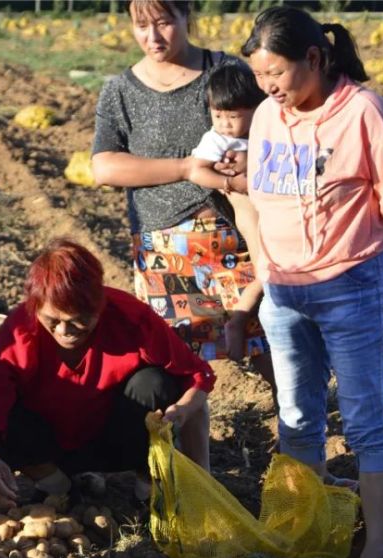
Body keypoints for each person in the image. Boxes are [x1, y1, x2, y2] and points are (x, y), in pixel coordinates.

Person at [240, 6, 383, 558]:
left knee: (367, 423)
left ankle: (375, 554)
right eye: (260, 76)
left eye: (277, 73)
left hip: (350, 289)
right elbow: (264, 199)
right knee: (297, 421)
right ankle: (310, 532)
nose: (268, 87)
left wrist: (369, 269)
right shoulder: (267, 116)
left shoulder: (365, 113)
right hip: (283, 294)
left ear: (315, 58)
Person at [91, 0, 273, 390]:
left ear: (186, 14)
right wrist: (186, 168)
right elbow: (104, 167)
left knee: (269, 343)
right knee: (175, 363)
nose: (153, 37)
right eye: (141, 26)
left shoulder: (225, 71)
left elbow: (270, 126)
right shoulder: (120, 91)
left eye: (164, 22)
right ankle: (188, 431)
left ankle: (301, 423)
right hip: (163, 245)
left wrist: (249, 161)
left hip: (233, 234)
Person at [0, 238, 215, 508]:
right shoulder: (20, 330)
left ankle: (147, 491)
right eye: (52, 321)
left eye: (78, 320)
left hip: (115, 441)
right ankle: (56, 486)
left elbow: (197, 376)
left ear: (99, 304)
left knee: (155, 383)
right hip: (48, 447)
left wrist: (182, 411)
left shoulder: (128, 316)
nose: (64, 331)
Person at [185, 62, 268, 361]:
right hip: (251, 216)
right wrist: (230, 182)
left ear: (255, 108)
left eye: (233, 116)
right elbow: (197, 171)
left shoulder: (264, 127)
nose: (224, 124)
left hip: (274, 213)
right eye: (217, 115)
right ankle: (238, 320)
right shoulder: (217, 139)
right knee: (268, 271)